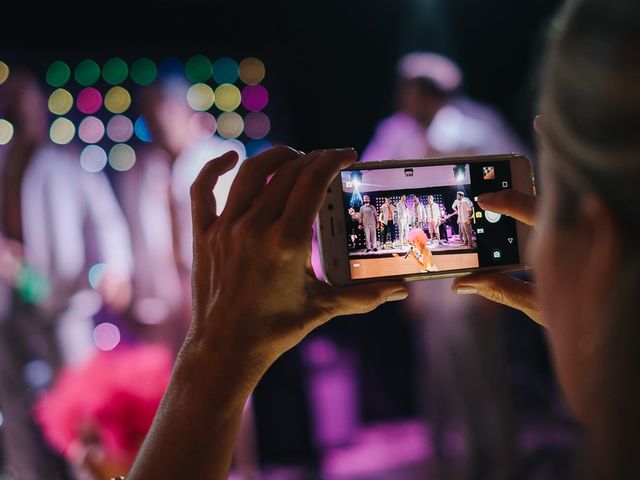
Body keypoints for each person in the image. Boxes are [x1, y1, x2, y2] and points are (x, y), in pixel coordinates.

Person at [125, 0, 639, 477]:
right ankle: (449, 466)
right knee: (439, 384)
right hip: (426, 278)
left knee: (484, 383)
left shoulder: (475, 124)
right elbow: (363, 180)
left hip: (478, 272)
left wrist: (213, 359)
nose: (402, 97)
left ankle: (498, 466)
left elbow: (514, 189)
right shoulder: (397, 129)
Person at [0, 69, 133, 479]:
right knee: (14, 407)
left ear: (38, 106)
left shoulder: (68, 162)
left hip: (64, 301)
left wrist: (114, 271)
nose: (19, 110)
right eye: (10, 101)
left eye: (25, 100)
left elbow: (106, 222)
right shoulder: (3, 162)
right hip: (9, 303)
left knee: (79, 407)